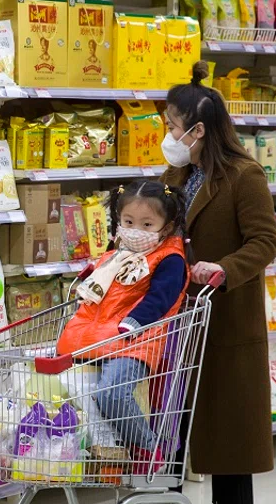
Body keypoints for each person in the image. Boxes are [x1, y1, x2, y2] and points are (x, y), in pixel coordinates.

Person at [95, 61, 276, 504]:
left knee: (227, 426)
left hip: (224, 318)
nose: (167, 133)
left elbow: (265, 242)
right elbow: (159, 226)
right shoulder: (178, 171)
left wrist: (225, 268)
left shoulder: (245, 176)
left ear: (198, 130)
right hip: (175, 318)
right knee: (169, 417)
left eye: (172, 125)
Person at [58, 180, 190, 474]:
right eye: (128, 222)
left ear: (166, 227)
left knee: (111, 393)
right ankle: (103, 448)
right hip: (94, 340)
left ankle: (147, 447)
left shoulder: (169, 259)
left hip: (135, 342)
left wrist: (135, 322)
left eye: (146, 224)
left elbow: (162, 298)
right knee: (59, 388)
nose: (135, 230)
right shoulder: (114, 253)